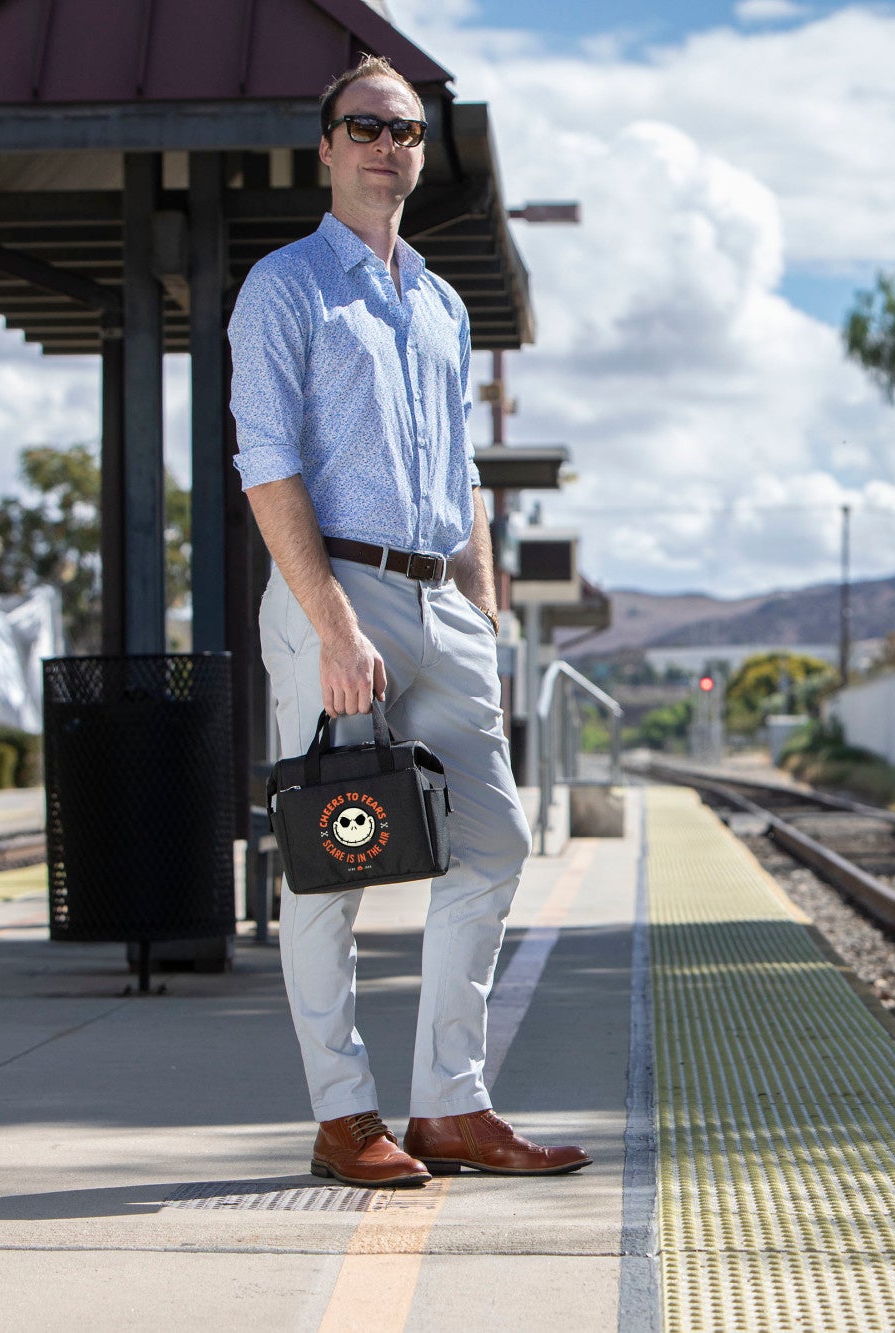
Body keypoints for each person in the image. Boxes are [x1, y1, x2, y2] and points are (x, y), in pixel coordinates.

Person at [229, 53, 589, 1188]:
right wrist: (330, 623)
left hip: (442, 600)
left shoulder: (437, 300)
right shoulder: (285, 287)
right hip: (336, 592)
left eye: (407, 133)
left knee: (491, 841)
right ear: (326, 148)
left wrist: (480, 604)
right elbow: (268, 466)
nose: (389, 147)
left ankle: (448, 1104)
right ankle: (345, 1116)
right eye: (366, 128)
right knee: (329, 864)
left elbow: (465, 470)